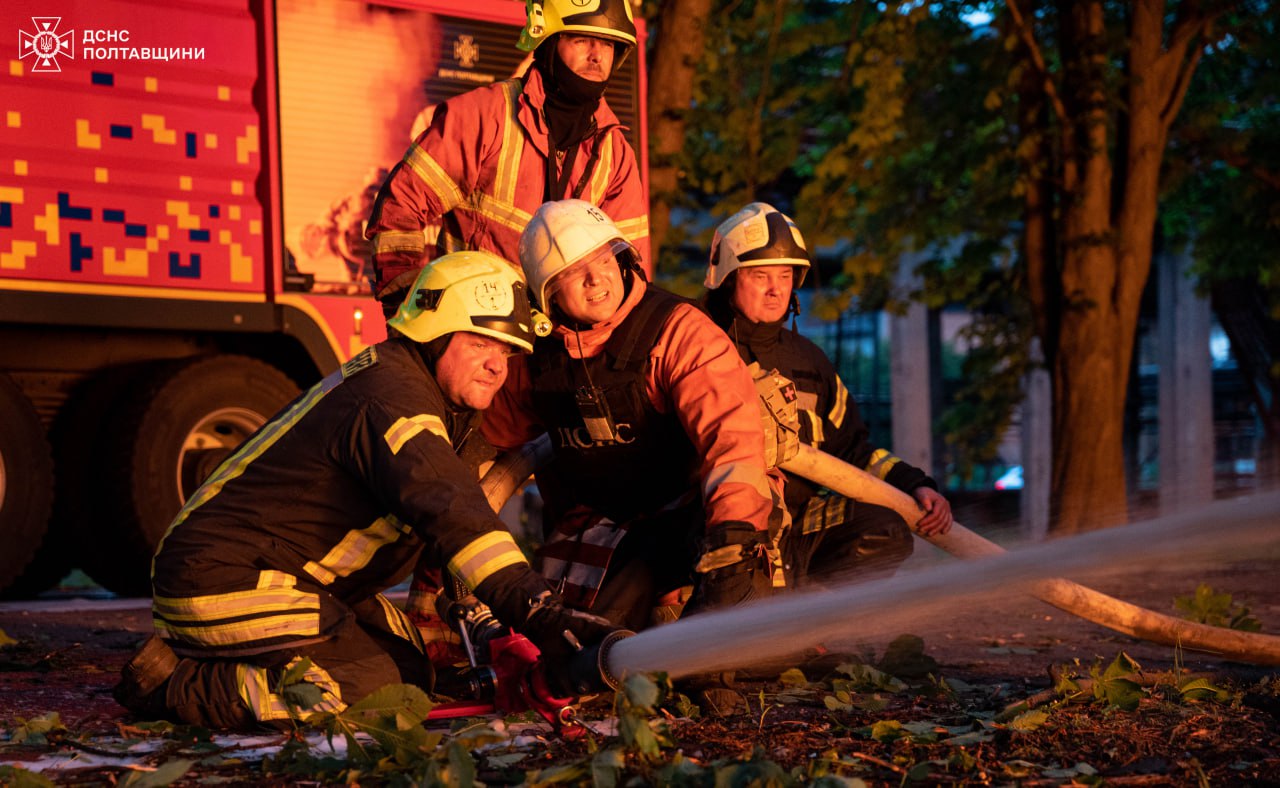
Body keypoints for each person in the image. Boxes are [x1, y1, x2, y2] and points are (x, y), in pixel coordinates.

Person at [112, 251, 621, 731]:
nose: (498, 365)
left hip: (294, 577)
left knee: (413, 675)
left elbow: (457, 516)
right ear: (435, 335)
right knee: (369, 689)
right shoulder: (392, 401)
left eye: (506, 351)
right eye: (480, 344)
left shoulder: (419, 387)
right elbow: (454, 512)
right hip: (214, 579)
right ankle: (177, 684)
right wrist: (541, 613)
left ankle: (232, 656)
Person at [481, 199, 781, 633]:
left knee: (714, 619)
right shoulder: (534, 357)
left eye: (605, 259)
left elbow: (732, 440)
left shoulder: (678, 330)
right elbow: (490, 442)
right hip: (599, 524)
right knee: (571, 638)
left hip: (697, 520)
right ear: (547, 293)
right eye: (573, 271)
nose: (596, 278)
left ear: (622, 260)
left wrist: (732, 541)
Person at [702, 202, 954, 588]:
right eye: (760, 275)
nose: (775, 290)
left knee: (882, 529)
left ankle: (816, 617)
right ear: (728, 279)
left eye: (785, 275)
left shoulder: (810, 361)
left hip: (798, 528)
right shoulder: (701, 351)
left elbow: (853, 451)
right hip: (723, 529)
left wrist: (914, 484)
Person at [364, 0, 649, 318]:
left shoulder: (615, 154)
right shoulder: (484, 116)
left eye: (608, 44)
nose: (597, 56)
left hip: (563, 339)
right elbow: (402, 207)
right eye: (582, 40)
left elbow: (630, 270)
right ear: (547, 42)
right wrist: (409, 308)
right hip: (475, 328)